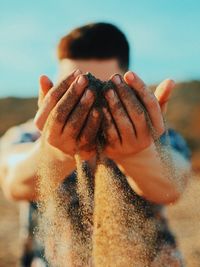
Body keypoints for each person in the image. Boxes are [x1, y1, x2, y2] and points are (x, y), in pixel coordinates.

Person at [0, 22, 191, 266]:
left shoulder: (155, 135)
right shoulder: (28, 136)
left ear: (125, 86)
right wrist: (54, 153)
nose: (86, 102)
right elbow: (13, 181)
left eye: (103, 91)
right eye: (74, 89)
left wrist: (140, 155)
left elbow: (174, 185)